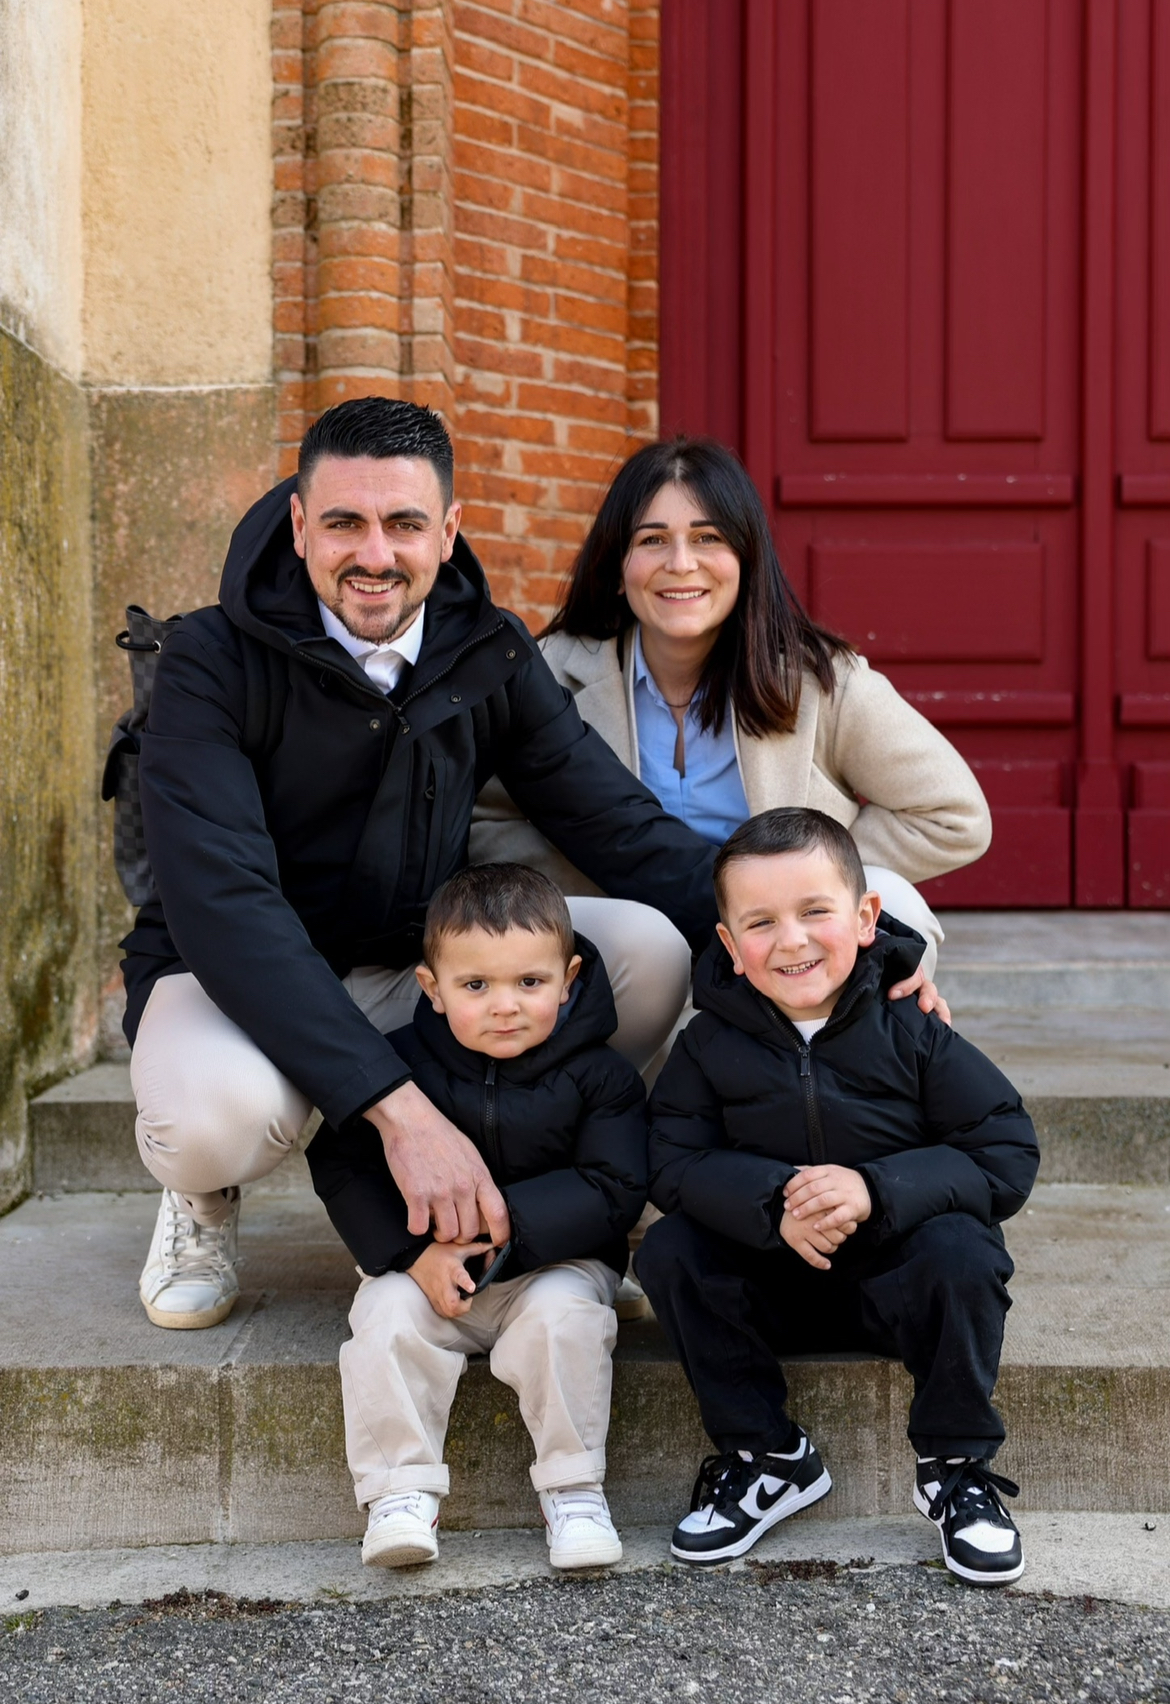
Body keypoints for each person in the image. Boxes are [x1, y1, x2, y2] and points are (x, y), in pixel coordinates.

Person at [127, 398, 716, 1332]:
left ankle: (539, 1172)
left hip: (416, 968)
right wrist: (403, 1114)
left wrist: (832, 937)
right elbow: (223, 903)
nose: (374, 555)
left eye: (404, 523)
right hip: (228, 976)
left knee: (647, 950)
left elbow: (623, 829)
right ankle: (200, 1199)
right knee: (215, 1116)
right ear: (299, 526)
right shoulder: (209, 658)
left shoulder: (488, 649)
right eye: (344, 523)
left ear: (447, 531)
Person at [635, 808, 1039, 1585]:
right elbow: (670, 1159)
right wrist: (772, 1203)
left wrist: (877, 1189)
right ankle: (766, 1456)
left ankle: (957, 1468)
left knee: (964, 1248)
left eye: (814, 911)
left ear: (864, 918)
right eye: (760, 923)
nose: (791, 941)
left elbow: (1004, 1151)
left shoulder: (911, 1027)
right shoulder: (708, 1042)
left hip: (894, 1284)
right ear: (728, 945)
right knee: (671, 1249)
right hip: (771, 1283)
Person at [472, 435, 993, 985]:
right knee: (645, 941)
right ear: (617, 566)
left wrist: (795, 885)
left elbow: (953, 815)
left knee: (898, 905)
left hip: (784, 943)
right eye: (653, 539)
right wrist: (603, 880)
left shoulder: (819, 680)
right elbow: (485, 822)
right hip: (630, 951)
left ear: (746, 558)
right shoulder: (551, 671)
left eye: (708, 537)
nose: (681, 563)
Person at [307, 864, 645, 1570]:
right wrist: (411, 1256)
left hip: (553, 1266)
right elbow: (341, 1165)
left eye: (530, 982)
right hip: (427, 1269)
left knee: (565, 1322)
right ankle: (400, 1492)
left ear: (569, 978)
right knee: (384, 1321)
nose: (505, 1006)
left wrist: (500, 1233)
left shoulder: (602, 1074)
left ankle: (574, 1488)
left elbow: (614, 1186)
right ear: (431, 987)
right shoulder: (395, 1068)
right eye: (475, 986)